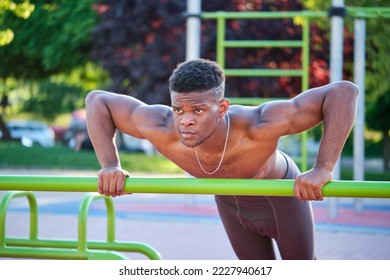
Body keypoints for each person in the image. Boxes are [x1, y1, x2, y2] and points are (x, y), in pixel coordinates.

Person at [85, 58, 358, 260]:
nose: (186, 120)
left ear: (222, 108)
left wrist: (323, 167)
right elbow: (97, 101)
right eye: (178, 109)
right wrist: (110, 165)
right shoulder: (160, 127)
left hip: (281, 194)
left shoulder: (259, 125)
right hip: (230, 203)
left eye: (198, 109)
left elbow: (343, 92)